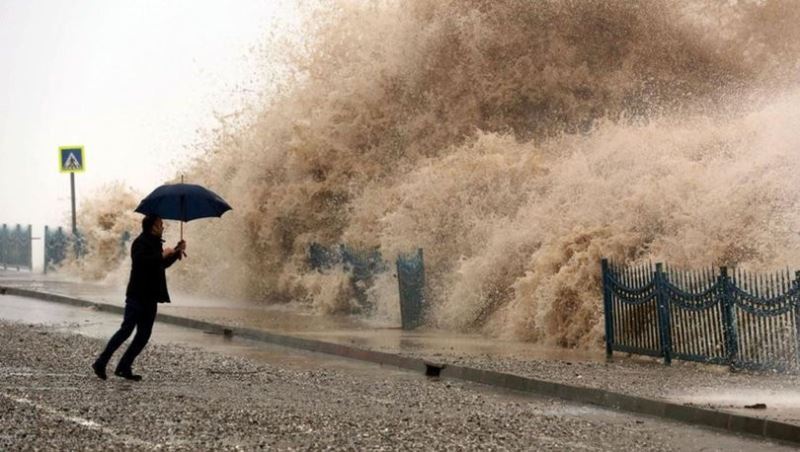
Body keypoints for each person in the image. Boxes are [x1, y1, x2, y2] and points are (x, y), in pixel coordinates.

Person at [92, 215, 186, 381]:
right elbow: (142, 262)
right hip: (137, 295)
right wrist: (163, 255)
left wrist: (176, 253)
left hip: (151, 296)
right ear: (153, 227)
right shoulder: (140, 242)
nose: (163, 227)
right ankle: (101, 362)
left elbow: (160, 265)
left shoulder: (157, 243)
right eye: (160, 225)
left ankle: (123, 367)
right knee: (126, 330)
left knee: (143, 335)